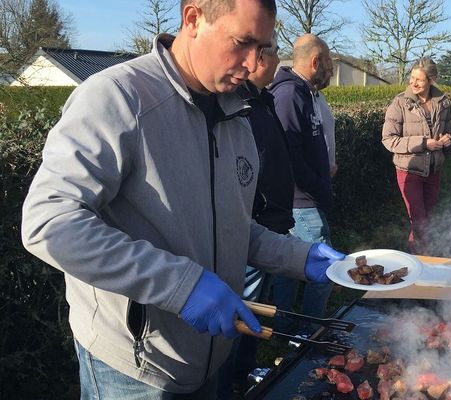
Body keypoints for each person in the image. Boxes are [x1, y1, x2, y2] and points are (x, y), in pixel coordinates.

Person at [20, 1, 345, 399]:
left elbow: (232, 226)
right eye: (242, 42)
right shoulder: (118, 98)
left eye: (262, 47)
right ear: (193, 19)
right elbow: (49, 222)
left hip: (210, 358)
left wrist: (300, 257)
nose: (253, 62)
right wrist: (181, 285)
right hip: (134, 367)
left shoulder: (236, 114)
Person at [217, 29, 295, 399]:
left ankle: (242, 376)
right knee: (236, 318)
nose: (274, 62)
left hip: (266, 230)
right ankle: (231, 379)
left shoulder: (259, 102)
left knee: (251, 317)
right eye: (275, 53)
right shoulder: (234, 103)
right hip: (255, 227)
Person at [269, 34, 335, 332]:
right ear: (315, 62)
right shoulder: (289, 95)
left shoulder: (306, 93)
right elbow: (289, 156)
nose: (331, 72)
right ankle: (311, 331)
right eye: (329, 65)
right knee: (327, 269)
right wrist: (318, 185)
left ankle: (284, 327)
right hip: (302, 201)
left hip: (307, 198)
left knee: (288, 268)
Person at [381, 57, 451, 255]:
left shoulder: (443, 103)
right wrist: (423, 143)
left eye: (419, 80)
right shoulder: (400, 103)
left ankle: (416, 258)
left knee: (426, 219)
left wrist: (448, 140)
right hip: (409, 171)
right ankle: (420, 258)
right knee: (419, 218)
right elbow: (388, 140)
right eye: (411, 78)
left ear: (432, 80)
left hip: (433, 170)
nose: (413, 83)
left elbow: (449, 132)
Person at [314, 55, 338, 177]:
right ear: (315, 66)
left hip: (325, 174)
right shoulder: (298, 98)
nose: (332, 75)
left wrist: (331, 162)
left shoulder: (319, 97)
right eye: (330, 70)